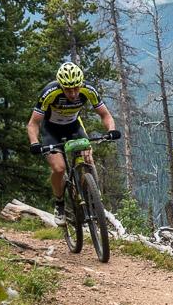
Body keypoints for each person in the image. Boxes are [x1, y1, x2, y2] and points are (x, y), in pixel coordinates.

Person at [27, 62, 120, 217]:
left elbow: (105, 115)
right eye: (68, 89)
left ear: (81, 83)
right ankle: (59, 203)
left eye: (76, 87)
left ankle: (90, 195)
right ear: (61, 86)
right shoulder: (50, 92)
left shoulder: (88, 89)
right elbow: (33, 123)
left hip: (73, 126)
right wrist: (34, 143)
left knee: (87, 159)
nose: (73, 93)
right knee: (59, 168)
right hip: (51, 129)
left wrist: (111, 130)